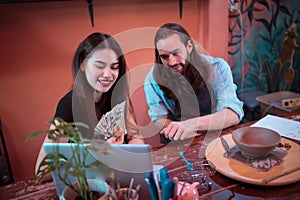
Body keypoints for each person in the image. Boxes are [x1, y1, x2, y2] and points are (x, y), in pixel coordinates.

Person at [36, 32, 144, 175]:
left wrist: (130, 152)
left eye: (114, 67)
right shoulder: (69, 105)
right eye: (99, 66)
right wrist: (95, 156)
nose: (108, 74)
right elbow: (41, 172)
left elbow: (135, 137)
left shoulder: (118, 96)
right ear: (82, 64)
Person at [144, 23, 244, 141]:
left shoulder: (217, 68)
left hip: (216, 135)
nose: (172, 62)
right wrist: (192, 136)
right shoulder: (153, 79)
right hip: (181, 139)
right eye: (165, 57)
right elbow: (158, 118)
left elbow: (232, 115)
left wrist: (191, 125)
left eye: (176, 53)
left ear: (189, 46)